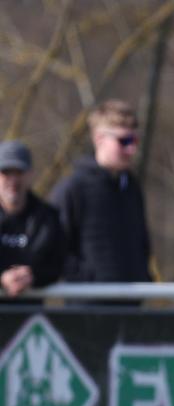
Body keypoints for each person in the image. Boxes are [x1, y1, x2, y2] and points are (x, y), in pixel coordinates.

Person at [50, 99, 152, 284]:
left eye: (135, 140)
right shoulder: (73, 188)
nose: (132, 148)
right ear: (99, 139)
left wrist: (143, 276)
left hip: (132, 302)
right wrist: (84, 280)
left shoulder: (131, 186)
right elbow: (54, 247)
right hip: (88, 305)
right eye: (124, 141)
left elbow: (142, 243)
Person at [0, 141, 64, 298]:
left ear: (30, 174)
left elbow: (58, 264)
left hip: (31, 316)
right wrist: (2, 278)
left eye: (19, 172)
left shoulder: (49, 218)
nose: (13, 180)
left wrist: (32, 276)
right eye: (7, 172)